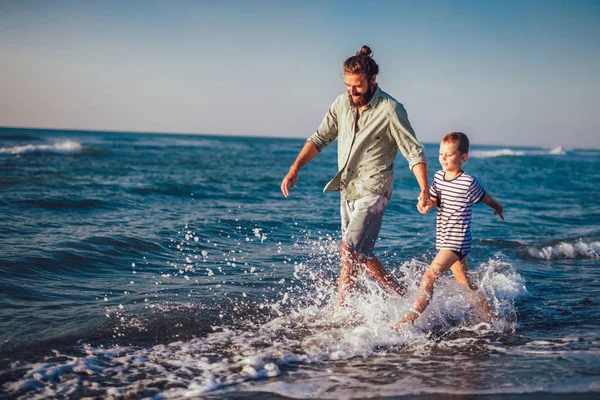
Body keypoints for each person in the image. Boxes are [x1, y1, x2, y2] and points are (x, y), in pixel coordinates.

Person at [280, 45, 429, 311]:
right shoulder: (341, 103)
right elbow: (319, 138)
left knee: (348, 253)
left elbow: (413, 152)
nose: (352, 91)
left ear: (373, 80)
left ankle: (339, 312)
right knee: (359, 255)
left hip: (375, 190)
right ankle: (405, 296)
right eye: (348, 85)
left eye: (358, 85)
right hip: (347, 190)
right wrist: (295, 167)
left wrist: (424, 190)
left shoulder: (391, 109)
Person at [393, 132, 503, 328]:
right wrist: (427, 204)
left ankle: (408, 320)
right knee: (464, 285)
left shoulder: (468, 182)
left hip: (457, 241)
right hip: (444, 239)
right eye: (441, 153)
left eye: (449, 154)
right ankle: (492, 320)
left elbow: (485, 197)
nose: (443, 158)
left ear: (463, 158)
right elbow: (435, 200)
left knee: (429, 276)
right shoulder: (438, 177)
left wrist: (497, 206)